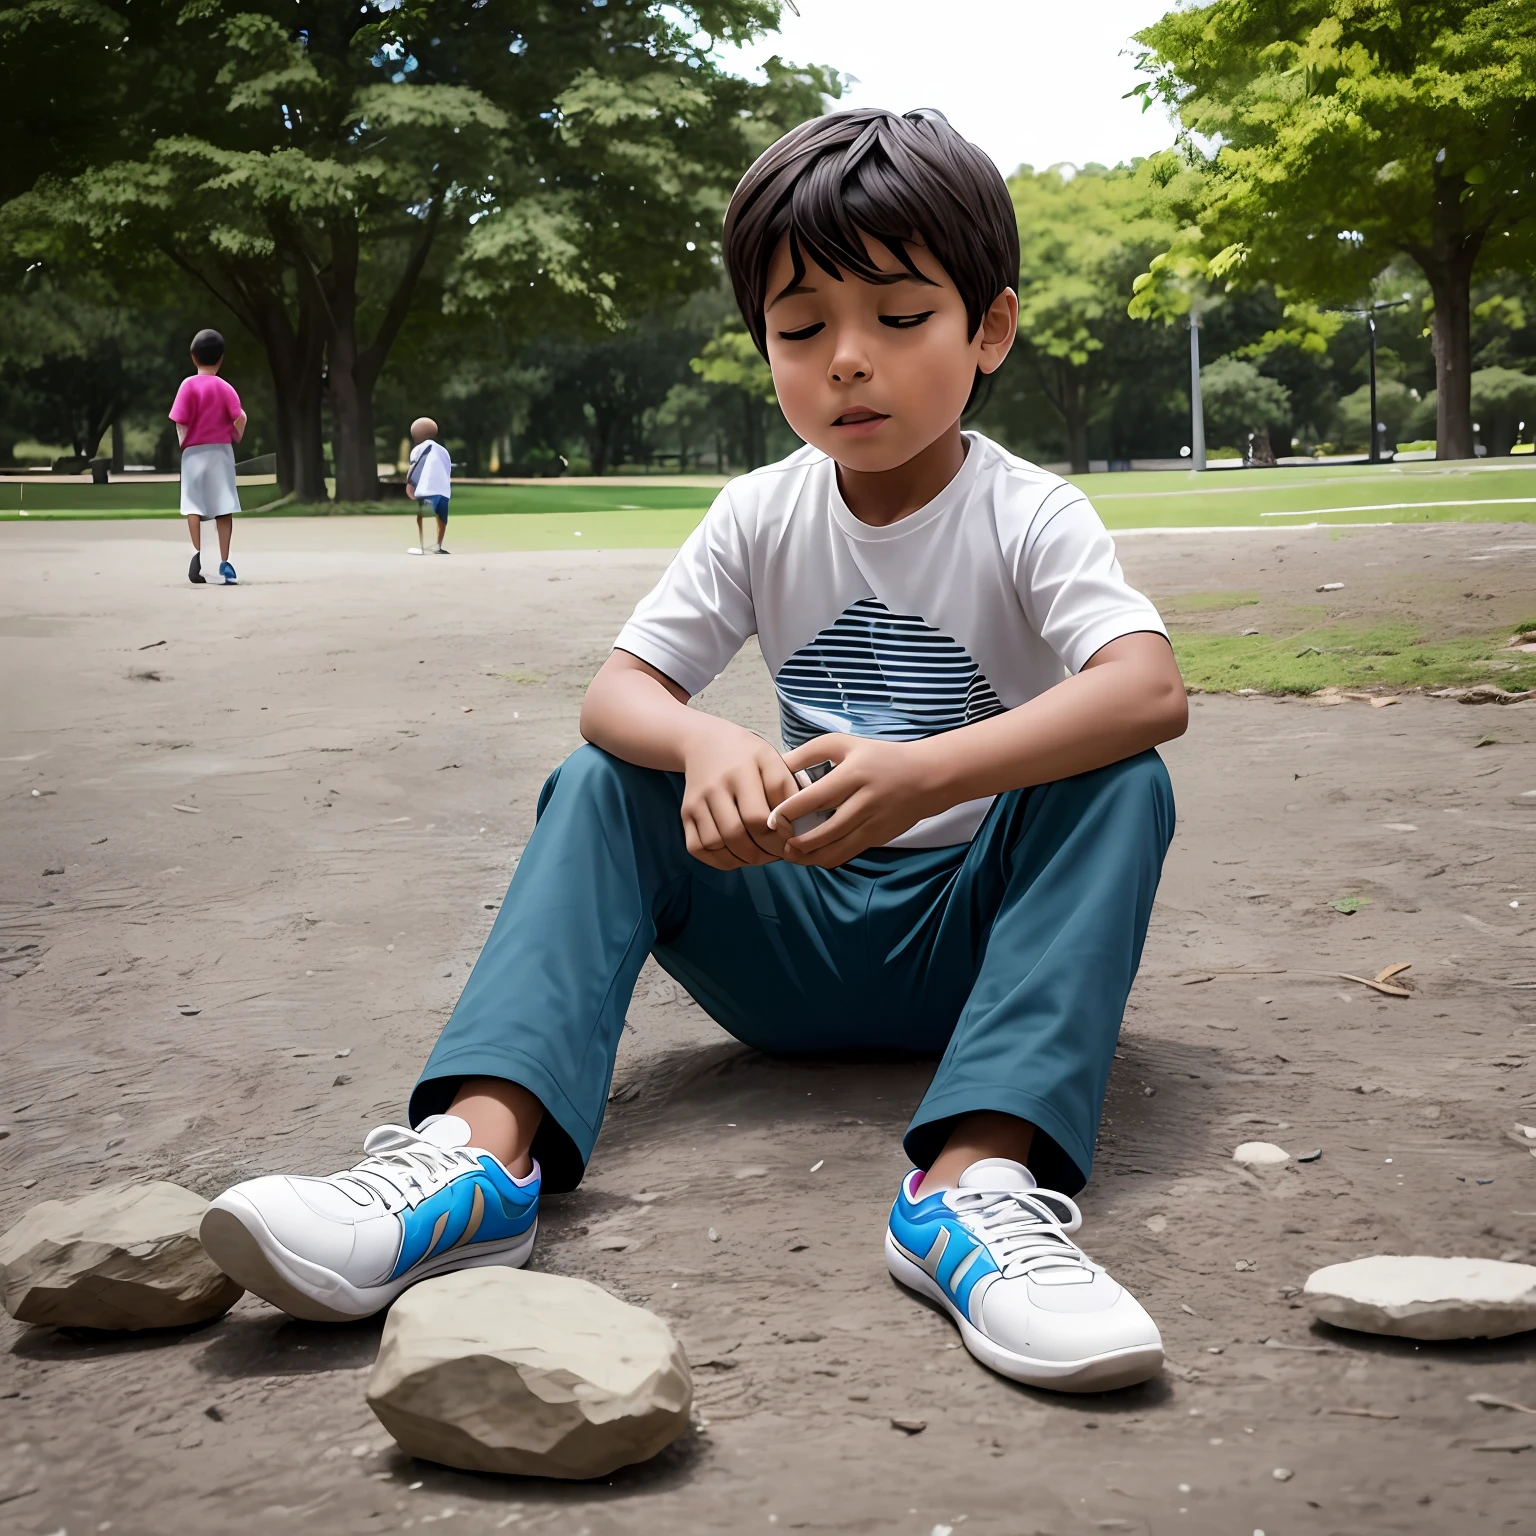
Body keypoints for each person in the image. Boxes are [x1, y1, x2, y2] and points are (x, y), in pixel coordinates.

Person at [201, 109, 1188, 1395]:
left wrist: (931, 773)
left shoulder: (1027, 512)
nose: (847, 362)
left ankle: (974, 1192)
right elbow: (617, 694)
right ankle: (470, 1162)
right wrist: (709, 735)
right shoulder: (758, 512)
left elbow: (1149, 688)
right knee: (611, 779)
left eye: (899, 318)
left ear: (988, 329)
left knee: (1116, 777)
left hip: (976, 947)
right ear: (763, 344)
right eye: (800, 327)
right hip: (795, 936)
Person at [170, 329, 246, 585]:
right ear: (221, 359)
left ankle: (196, 554)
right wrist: (235, 435)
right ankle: (225, 562)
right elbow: (240, 417)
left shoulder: (187, 385)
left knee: (193, 504)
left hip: (194, 452)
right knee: (223, 506)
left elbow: (180, 421)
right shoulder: (225, 387)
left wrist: (185, 443)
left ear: (193, 357)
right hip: (221, 452)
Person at [406, 417, 453, 554]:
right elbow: (447, 469)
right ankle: (437, 546)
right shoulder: (443, 451)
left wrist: (410, 484)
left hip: (427, 489)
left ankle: (426, 547)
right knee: (442, 518)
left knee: (426, 515)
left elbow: (414, 468)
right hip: (443, 491)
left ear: (415, 435)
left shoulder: (418, 449)